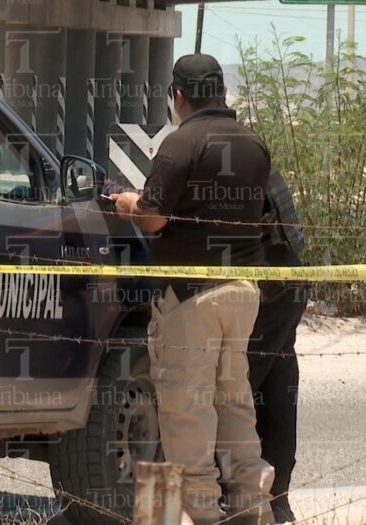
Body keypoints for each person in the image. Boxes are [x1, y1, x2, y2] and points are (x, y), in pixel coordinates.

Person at [111, 54, 274, 525]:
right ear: (221, 92)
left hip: (190, 295)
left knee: (187, 409)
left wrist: (125, 203)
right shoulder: (254, 143)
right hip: (243, 291)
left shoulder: (181, 143)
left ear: (178, 96)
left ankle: (204, 515)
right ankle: (251, 506)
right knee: (235, 403)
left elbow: (154, 216)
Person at [249, 169, 308, 523]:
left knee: (239, 389)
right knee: (277, 377)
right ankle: (277, 500)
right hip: (289, 281)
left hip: (267, 287)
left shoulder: (219, 165)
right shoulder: (255, 159)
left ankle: (250, 498)